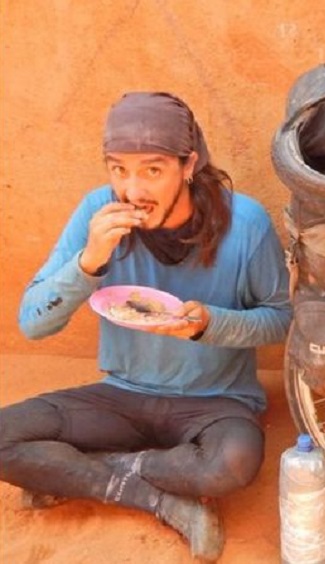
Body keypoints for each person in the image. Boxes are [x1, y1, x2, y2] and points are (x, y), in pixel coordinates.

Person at [0, 92, 292, 561]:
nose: (132, 189)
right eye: (118, 169)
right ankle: (156, 498)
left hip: (215, 403)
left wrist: (209, 325)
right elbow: (32, 325)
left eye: (152, 170)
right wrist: (89, 262)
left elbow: (279, 321)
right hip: (121, 396)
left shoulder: (246, 223)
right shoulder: (97, 211)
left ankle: (80, 474)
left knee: (233, 464)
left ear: (188, 163)